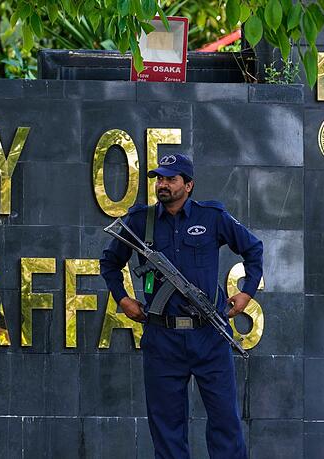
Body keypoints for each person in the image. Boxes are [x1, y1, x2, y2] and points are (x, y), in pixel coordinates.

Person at [100, 154, 263, 459]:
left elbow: (253, 248)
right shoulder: (141, 221)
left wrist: (246, 293)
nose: (162, 184)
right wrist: (122, 298)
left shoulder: (212, 217)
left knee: (225, 423)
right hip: (163, 338)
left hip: (209, 335)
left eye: (170, 179)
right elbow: (110, 263)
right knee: (167, 428)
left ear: (188, 185)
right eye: (159, 179)